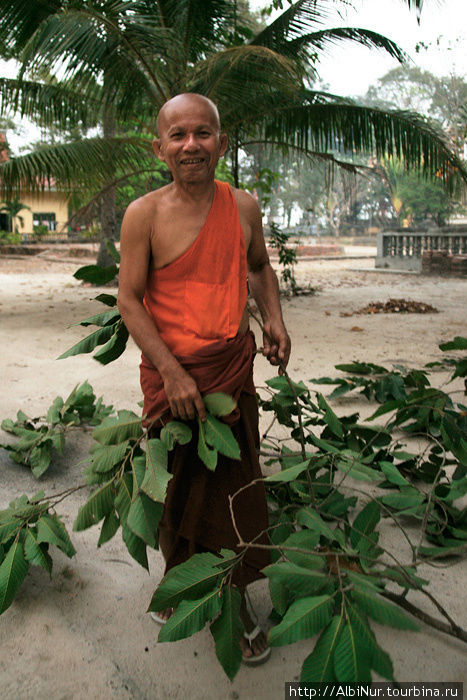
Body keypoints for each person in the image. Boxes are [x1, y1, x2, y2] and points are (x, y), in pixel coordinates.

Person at [117, 93, 291, 665]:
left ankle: (234, 595)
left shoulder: (242, 205)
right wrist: (171, 373)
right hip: (171, 378)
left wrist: (275, 320)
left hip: (230, 370)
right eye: (178, 135)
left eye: (203, 133)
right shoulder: (143, 214)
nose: (191, 145)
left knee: (236, 485)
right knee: (178, 485)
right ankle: (181, 580)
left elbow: (259, 267)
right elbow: (129, 299)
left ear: (221, 139)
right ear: (159, 147)